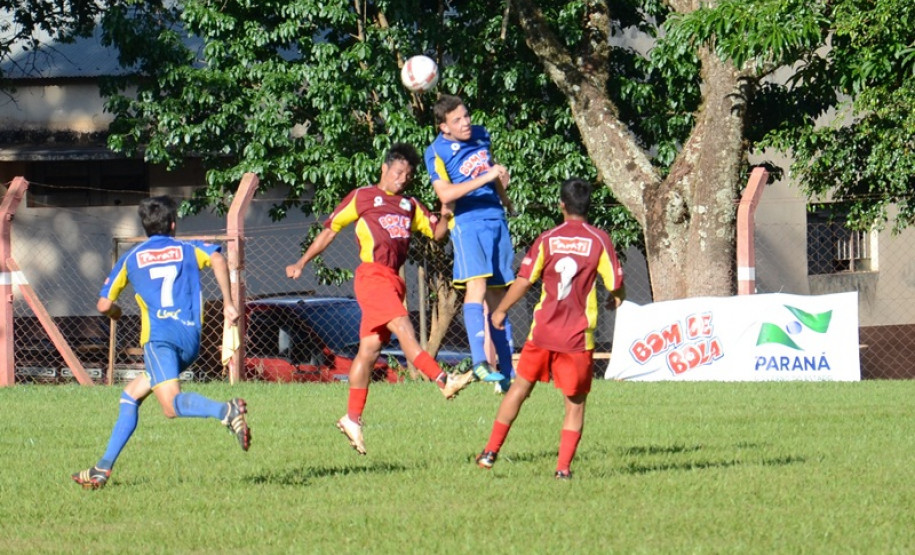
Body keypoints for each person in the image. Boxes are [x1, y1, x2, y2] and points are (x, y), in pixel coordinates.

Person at [286, 143, 475, 455]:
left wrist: (446, 213)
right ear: (384, 168)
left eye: (408, 176)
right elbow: (330, 230)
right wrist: (301, 262)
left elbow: (437, 233)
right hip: (372, 276)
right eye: (398, 172)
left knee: (369, 350)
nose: (402, 179)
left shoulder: (410, 205)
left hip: (393, 280)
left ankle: (351, 418)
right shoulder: (363, 197)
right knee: (403, 325)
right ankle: (443, 380)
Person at [72, 196, 251, 490]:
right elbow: (219, 258)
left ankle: (225, 411)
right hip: (190, 341)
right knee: (131, 395)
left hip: (159, 341)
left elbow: (103, 305)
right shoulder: (189, 249)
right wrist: (228, 304)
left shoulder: (131, 258)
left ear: (145, 227)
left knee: (170, 407)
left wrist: (116, 312)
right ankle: (101, 468)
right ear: (173, 225)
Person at [475, 178, 625, 479]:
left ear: (561, 205)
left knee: (519, 389)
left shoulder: (548, 238)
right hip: (577, 338)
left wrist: (501, 310)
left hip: (542, 332)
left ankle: (490, 452)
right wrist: (617, 297)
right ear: (588, 206)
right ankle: (562, 469)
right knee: (575, 405)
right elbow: (616, 284)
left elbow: (524, 280)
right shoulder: (599, 240)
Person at [424, 94, 515, 393]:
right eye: (457, 120)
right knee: (476, 286)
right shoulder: (435, 151)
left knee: (499, 297)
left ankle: (507, 372)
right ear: (444, 127)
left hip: (495, 219)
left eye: (466, 116)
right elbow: (446, 195)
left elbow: (492, 173)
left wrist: (504, 196)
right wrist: (486, 177)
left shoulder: (481, 134)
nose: (465, 123)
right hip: (467, 222)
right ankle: (479, 362)